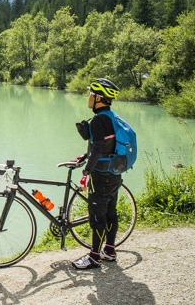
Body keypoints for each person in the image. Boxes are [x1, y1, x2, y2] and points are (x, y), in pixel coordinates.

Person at [72, 78, 123, 270]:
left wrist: (87, 171)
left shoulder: (98, 120)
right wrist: (86, 156)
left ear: (99, 98)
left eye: (91, 94)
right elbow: (104, 145)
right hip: (114, 173)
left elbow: (99, 148)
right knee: (111, 213)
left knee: (97, 216)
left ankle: (94, 257)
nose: (89, 97)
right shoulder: (111, 116)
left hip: (100, 176)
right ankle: (109, 251)